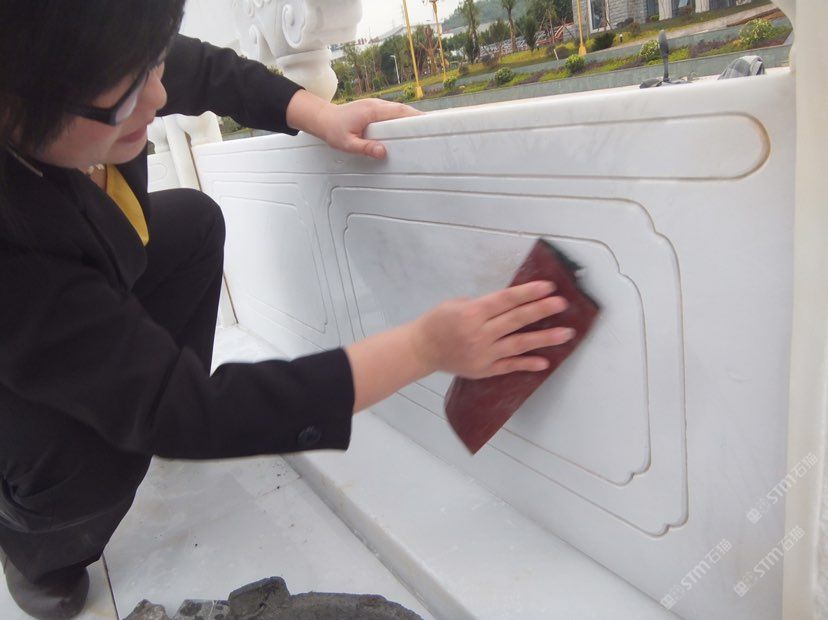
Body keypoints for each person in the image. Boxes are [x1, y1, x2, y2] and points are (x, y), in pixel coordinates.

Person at [0, 2, 574, 618]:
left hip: (88, 266)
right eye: (126, 96)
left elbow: (200, 70)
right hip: (23, 405)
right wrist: (423, 348)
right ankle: (39, 551)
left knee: (192, 223)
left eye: (154, 63)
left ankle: (155, 395)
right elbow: (190, 412)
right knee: (93, 455)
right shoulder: (16, 258)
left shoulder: (97, 67)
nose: (160, 98)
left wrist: (321, 115)